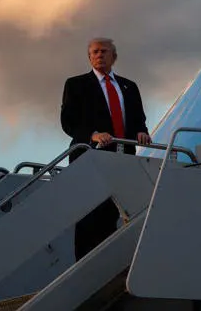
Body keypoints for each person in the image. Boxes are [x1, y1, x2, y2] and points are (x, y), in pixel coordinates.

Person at [60, 37, 151, 260]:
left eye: (104, 51)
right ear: (89, 57)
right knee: (89, 213)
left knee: (114, 212)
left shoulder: (129, 86)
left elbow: (138, 118)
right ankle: (84, 264)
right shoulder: (76, 84)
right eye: (94, 52)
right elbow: (68, 121)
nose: (99, 55)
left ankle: (111, 260)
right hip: (90, 156)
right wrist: (93, 135)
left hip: (123, 157)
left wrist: (142, 131)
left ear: (114, 56)